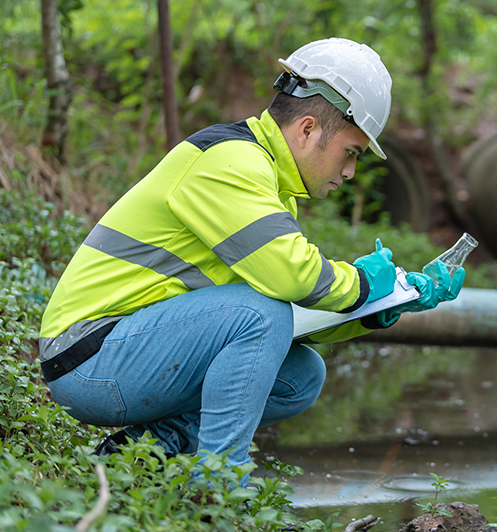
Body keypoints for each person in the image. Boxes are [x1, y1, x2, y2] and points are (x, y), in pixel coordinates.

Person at [38, 38, 465, 476]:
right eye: (351, 152)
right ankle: (219, 486)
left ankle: (135, 458)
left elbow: (294, 314)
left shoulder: (269, 183)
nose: (350, 171)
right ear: (307, 130)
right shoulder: (231, 163)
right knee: (259, 313)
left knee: (299, 375)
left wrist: (383, 304)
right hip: (88, 359)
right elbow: (292, 282)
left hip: (128, 351)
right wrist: (360, 283)